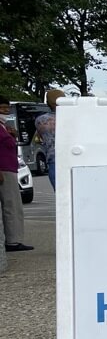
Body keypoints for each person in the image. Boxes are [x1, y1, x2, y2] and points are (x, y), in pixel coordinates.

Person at [0, 96, 32, 252]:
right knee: (11, 205)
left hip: (11, 168)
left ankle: (14, 238)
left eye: (7, 108)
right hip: (4, 169)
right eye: (2, 108)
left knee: (13, 205)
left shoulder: (5, 126)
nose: (5, 111)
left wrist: (13, 135)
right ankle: (13, 241)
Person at [35, 88, 64, 188]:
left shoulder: (41, 120)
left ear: (47, 103)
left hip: (53, 159)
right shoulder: (73, 117)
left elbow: (40, 137)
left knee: (60, 194)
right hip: (75, 158)